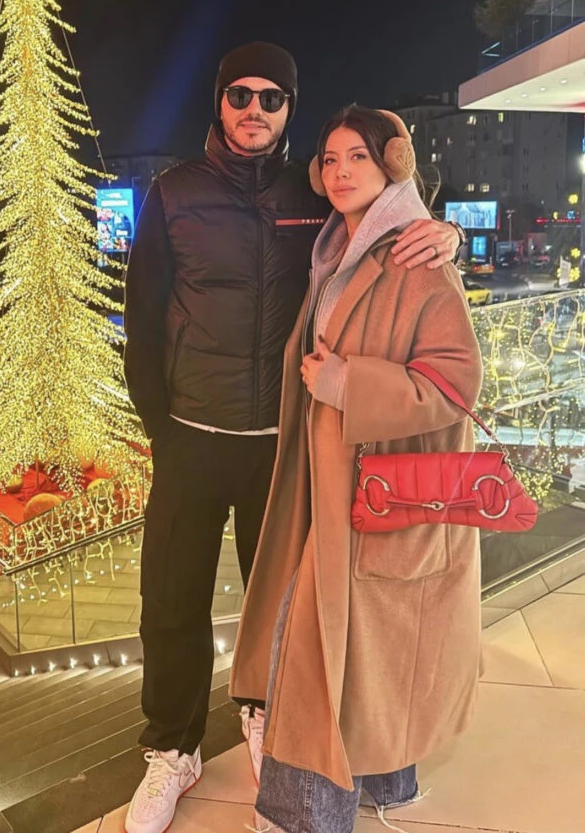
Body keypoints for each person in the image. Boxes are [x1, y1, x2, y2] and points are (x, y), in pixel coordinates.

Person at [122, 45, 461, 833]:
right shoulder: (173, 192)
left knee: (279, 603)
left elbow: (384, 223)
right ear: (219, 102)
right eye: (239, 94)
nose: (254, 109)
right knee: (169, 601)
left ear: (288, 109)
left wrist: (440, 231)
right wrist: (159, 430)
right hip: (191, 436)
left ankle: (263, 714)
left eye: (271, 98)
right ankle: (172, 749)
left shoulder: (314, 190)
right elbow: (143, 319)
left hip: (283, 444)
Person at [230, 106, 483, 833]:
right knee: (367, 646)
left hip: (381, 484)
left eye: (358, 158)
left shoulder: (415, 256)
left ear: (393, 164)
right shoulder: (340, 247)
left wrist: (346, 384)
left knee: (313, 645)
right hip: (339, 480)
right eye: (331, 159)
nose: (340, 172)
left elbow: (456, 383)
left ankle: (303, 816)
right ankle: (387, 779)